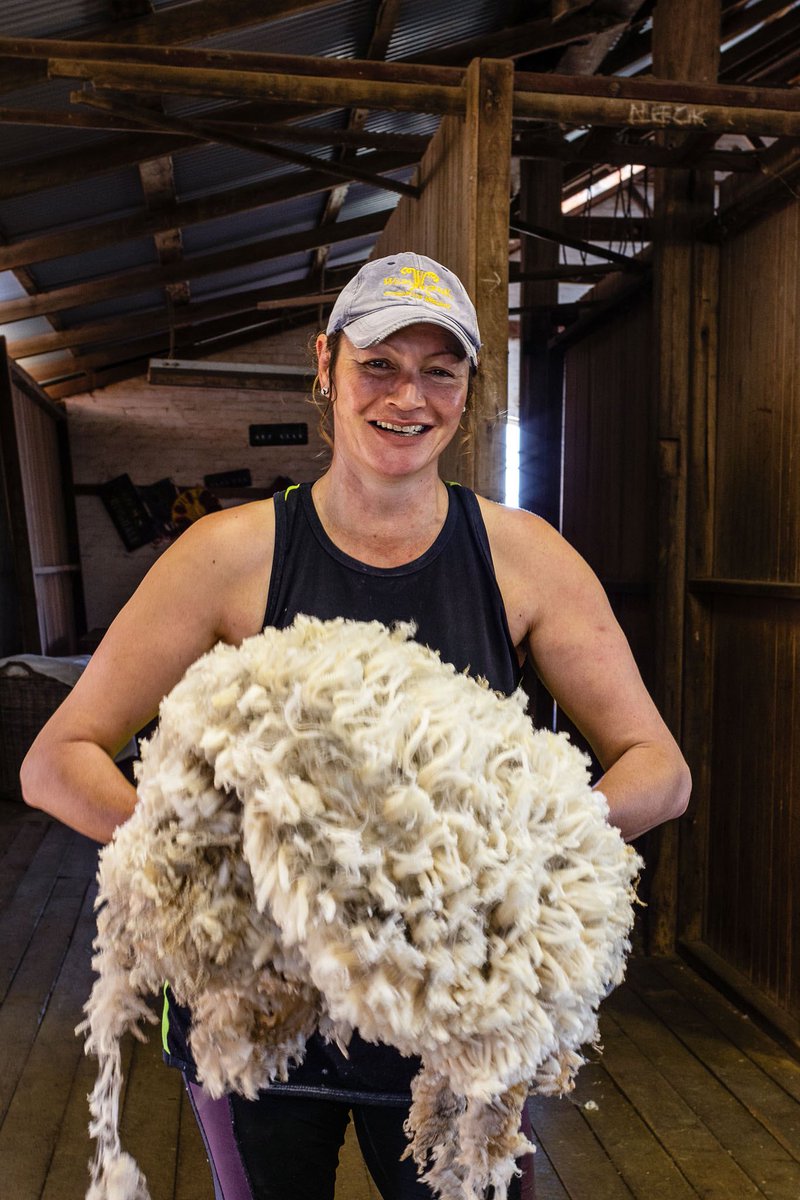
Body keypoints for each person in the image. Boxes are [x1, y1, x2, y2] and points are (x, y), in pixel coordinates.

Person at [21, 251, 691, 1200]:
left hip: (451, 1013)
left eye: (439, 370)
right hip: (262, 1006)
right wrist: (227, 862)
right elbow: (56, 760)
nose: (407, 395)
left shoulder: (526, 559)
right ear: (324, 366)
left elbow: (659, 768)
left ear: (467, 388)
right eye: (379, 364)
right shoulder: (230, 556)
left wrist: (501, 846)